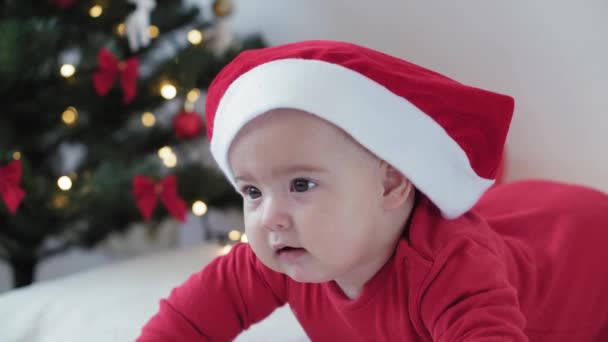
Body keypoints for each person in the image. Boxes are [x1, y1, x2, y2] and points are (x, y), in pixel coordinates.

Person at [137, 40, 608, 341]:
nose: (270, 217)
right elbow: (188, 322)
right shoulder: (284, 249)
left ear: (390, 183)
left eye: (301, 184)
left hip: (584, 248)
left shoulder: (450, 269)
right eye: (252, 192)